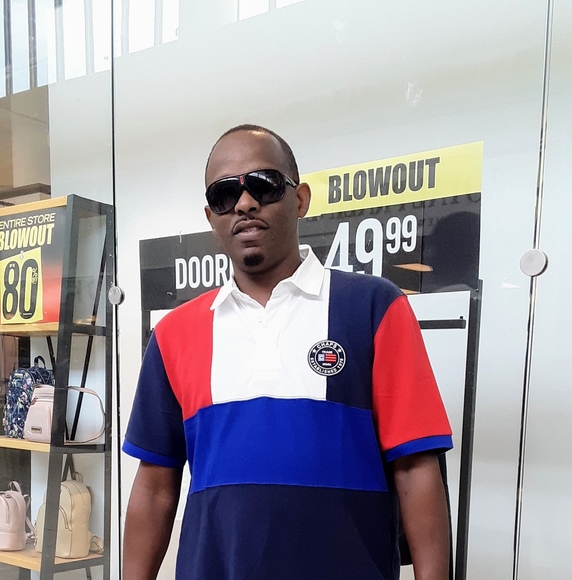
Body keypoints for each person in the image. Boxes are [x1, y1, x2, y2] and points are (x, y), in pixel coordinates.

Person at [122, 124, 453, 580]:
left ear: (300, 199)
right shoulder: (174, 333)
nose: (244, 203)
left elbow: (416, 467)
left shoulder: (374, 307)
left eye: (263, 184)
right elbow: (155, 487)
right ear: (211, 216)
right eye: (225, 194)